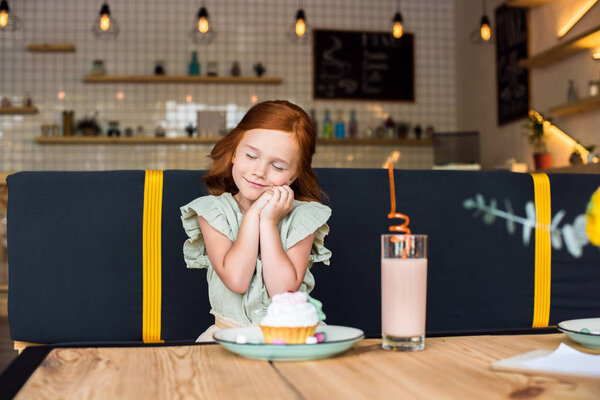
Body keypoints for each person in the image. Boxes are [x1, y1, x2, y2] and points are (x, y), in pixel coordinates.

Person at [180, 100, 332, 342]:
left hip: (294, 338)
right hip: (227, 336)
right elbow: (237, 280)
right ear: (233, 154)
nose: (259, 172)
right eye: (251, 155)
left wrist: (269, 223)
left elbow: (283, 292)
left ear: (293, 176)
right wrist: (252, 215)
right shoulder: (211, 211)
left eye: (278, 166)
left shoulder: (305, 216)